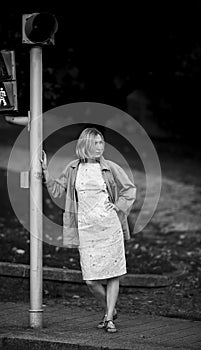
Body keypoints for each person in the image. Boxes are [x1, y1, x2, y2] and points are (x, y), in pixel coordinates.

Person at [41, 127, 136, 333]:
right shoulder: (73, 168)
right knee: (91, 280)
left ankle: (109, 317)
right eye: (95, 143)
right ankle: (110, 310)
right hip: (85, 229)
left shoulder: (110, 167)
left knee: (113, 275)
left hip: (109, 227)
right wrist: (46, 173)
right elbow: (57, 190)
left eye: (101, 143)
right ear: (85, 145)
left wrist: (118, 206)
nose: (100, 147)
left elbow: (129, 189)